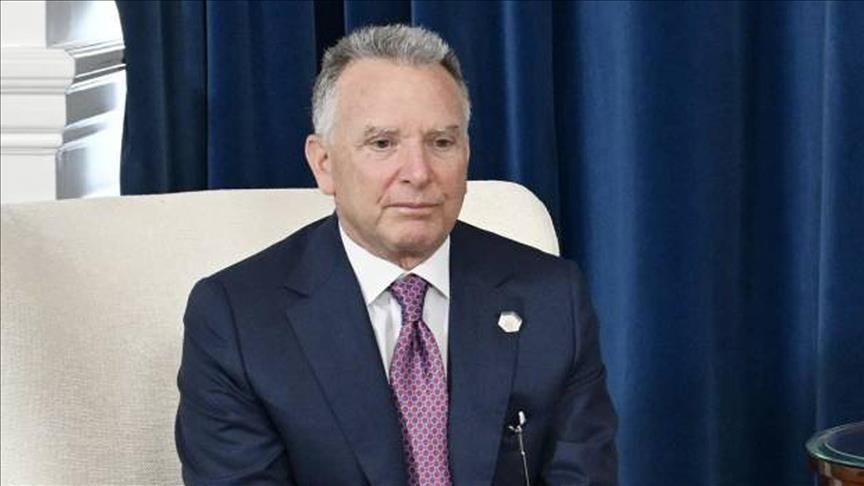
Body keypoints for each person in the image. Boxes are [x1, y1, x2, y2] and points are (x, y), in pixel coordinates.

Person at [175, 24, 617, 485]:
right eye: (382, 143)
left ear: (466, 154)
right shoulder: (237, 320)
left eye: (441, 142)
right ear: (324, 163)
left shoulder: (552, 297)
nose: (418, 173)